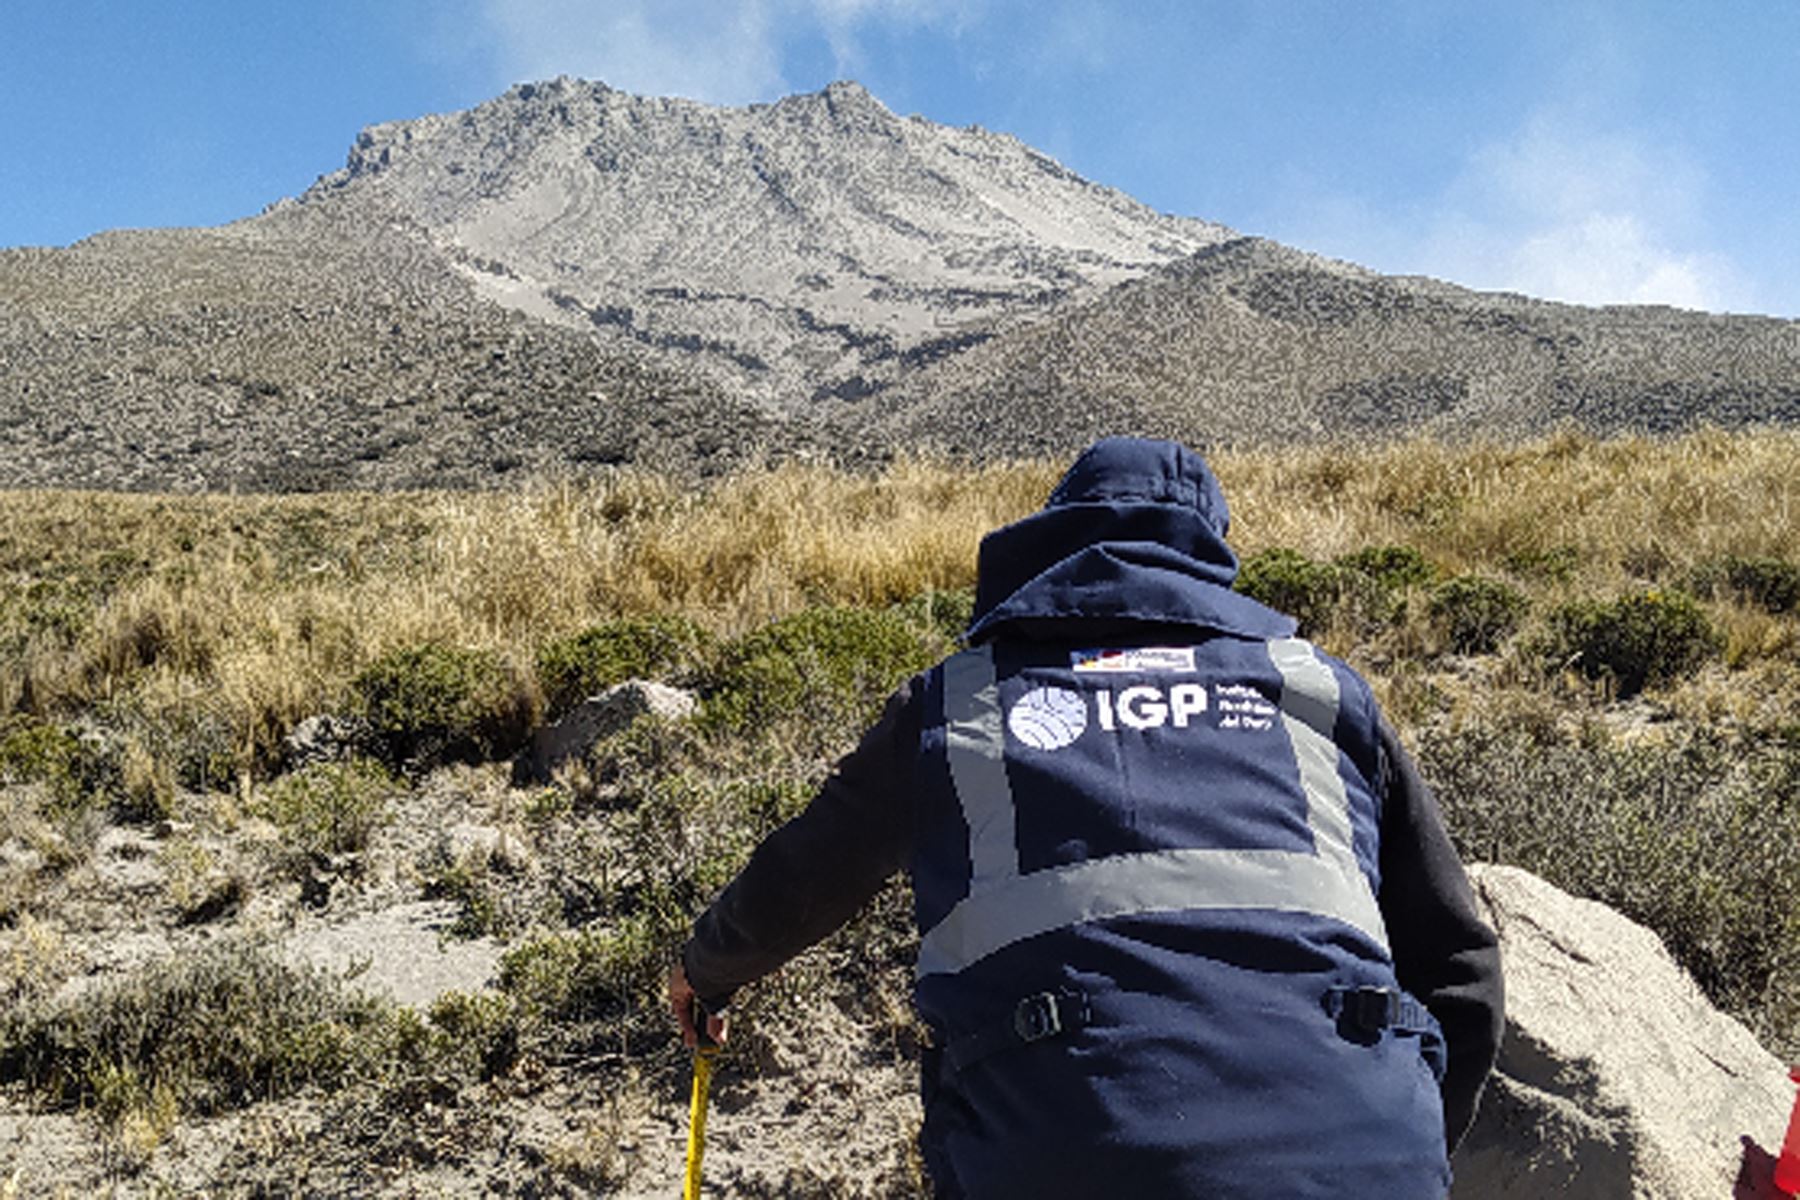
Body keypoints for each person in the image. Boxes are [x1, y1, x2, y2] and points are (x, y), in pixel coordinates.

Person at [669, 436, 1503, 1198]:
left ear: (1055, 539)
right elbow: (1461, 965)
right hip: (1364, 1154)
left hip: (1068, 1155)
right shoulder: (1321, 692)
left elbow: (807, 875)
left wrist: (705, 972)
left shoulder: (959, 703)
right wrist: (1411, 1139)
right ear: (1210, 557)